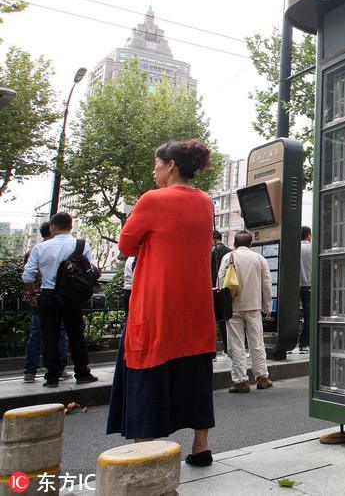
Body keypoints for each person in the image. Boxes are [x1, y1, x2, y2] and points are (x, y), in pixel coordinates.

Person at [107, 139, 217, 468]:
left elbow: (126, 246)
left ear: (170, 166)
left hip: (157, 303)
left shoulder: (152, 199)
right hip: (195, 307)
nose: (154, 173)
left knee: (148, 370)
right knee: (195, 373)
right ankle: (201, 446)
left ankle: (146, 448)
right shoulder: (205, 201)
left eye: (156, 166)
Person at [21, 213, 98, 388]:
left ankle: (52, 377)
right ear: (70, 227)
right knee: (76, 335)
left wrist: (33, 295)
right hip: (72, 296)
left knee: (49, 336)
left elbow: (27, 276)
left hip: (48, 295)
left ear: (52, 227)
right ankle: (82, 372)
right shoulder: (82, 245)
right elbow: (89, 271)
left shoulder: (40, 248)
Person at [218, 230, 273, 393]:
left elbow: (221, 281)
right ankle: (262, 377)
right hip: (253, 306)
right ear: (251, 244)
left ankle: (241, 381)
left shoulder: (228, 257)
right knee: (257, 343)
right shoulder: (259, 258)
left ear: (234, 244)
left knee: (236, 344)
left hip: (233, 306)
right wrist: (267, 307)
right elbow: (266, 284)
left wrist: (222, 305)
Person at [22, 222, 70, 383]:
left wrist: (32, 294)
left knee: (36, 334)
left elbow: (27, 275)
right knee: (60, 333)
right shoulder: (58, 249)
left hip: (39, 298)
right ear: (52, 230)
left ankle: (30, 371)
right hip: (54, 296)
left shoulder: (34, 250)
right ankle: (60, 368)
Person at [211, 230, 231, 355]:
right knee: (226, 319)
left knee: (213, 320)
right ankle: (227, 347)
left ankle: (213, 350)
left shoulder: (212, 252)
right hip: (227, 289)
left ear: (213, 238)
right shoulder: (230, 251)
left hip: (213, 289)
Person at [298, 226, 312, 354]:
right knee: (308, 315)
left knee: (292, 314)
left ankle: (289, 342)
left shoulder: (294, 248)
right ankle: (304, 344)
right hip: (308, 286)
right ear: (308, 235)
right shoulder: (312, 248)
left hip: (293, 287)